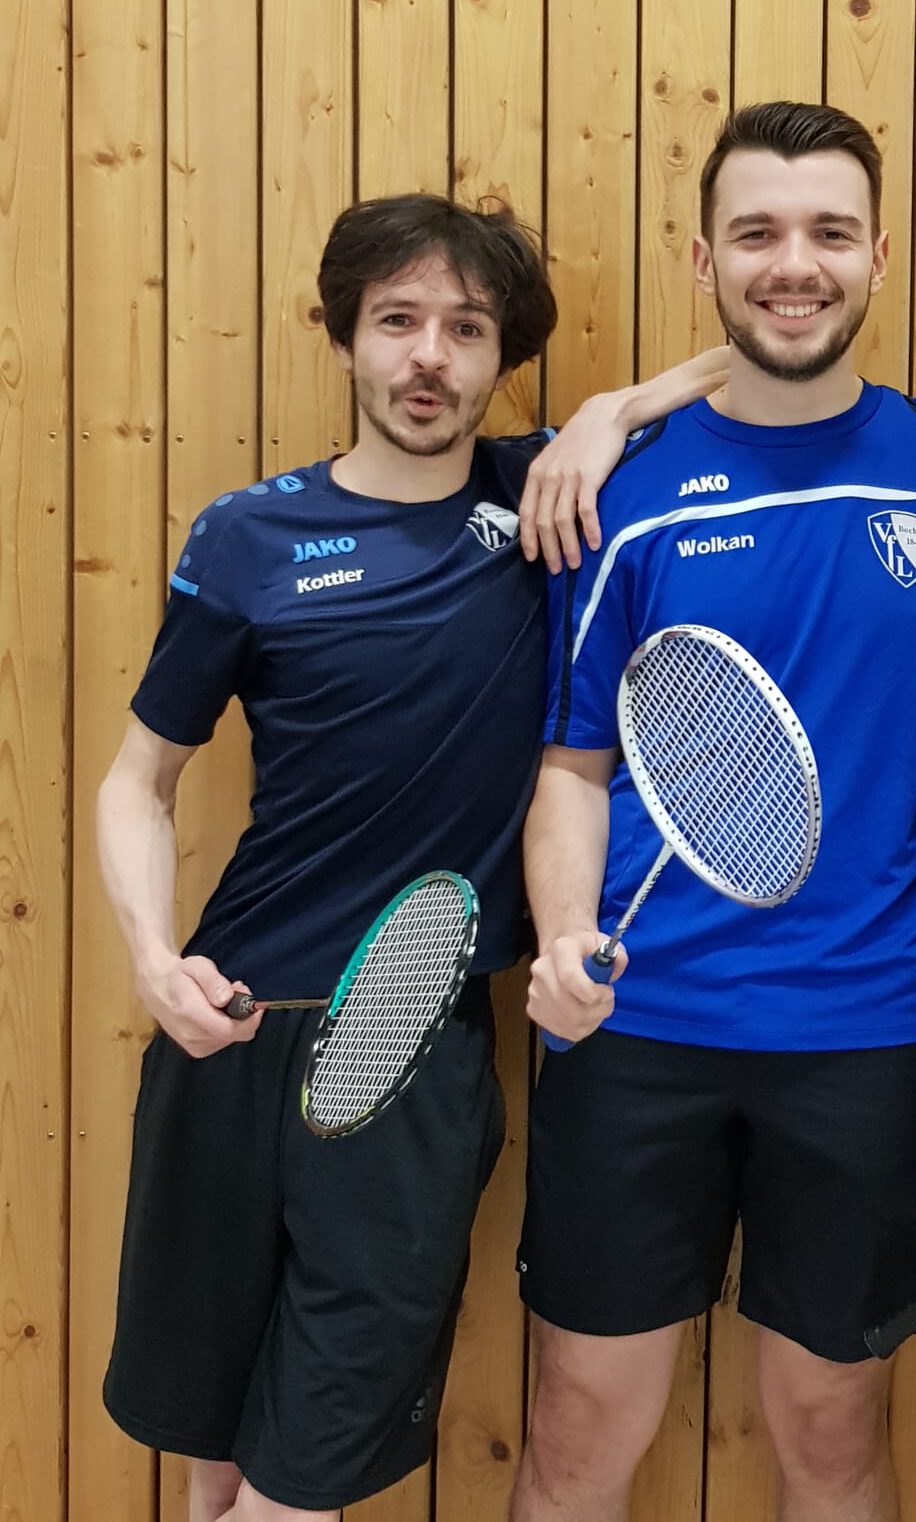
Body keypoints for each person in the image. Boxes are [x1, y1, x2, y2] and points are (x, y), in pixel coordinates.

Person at [96, 191, 724, 1522]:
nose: (429, 355)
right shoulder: (246, 536)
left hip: (408, 1043)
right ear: (343, 335)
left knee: (292, 1491)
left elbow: (759, 362)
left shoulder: (540, 501)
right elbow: (137, 783)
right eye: (397, 320)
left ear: (502, 359)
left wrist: (608, 414)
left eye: (467, 327)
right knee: (214, 1467)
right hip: (230, 1027)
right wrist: (153, 959)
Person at [510, 101, 916, 1522]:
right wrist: (564, 936)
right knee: (576, 1431)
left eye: (831, 232)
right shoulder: (621, 493)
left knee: (832, 1435)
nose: (796, 264)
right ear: (704, 258)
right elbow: (573, 765)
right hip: (634, 1028)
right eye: (758, 234)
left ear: (880, 256)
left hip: (864, 1033)